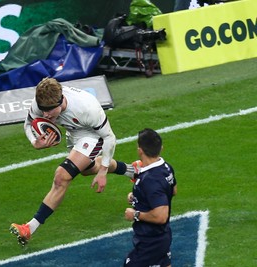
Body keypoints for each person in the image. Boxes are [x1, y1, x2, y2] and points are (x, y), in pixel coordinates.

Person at [9, 77, 139, 246]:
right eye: (43, 110)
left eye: (49, 111)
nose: (45, 115)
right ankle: (133, 170)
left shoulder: (86, 108)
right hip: (73, 132)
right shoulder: (41, 103)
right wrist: (35, 143)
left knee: (61, 176)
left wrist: (103, 172)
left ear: (61, 101)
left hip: (92, 135)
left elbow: (109, 137)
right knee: (86, 169)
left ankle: (29, 228)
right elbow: (28, 124)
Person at [123, 128, 177, 267]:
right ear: (161, 148)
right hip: (162, 236)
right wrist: (138, 197)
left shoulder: (150, 179)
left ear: (140, 150)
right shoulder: (166, 167)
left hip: (151, 241)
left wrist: (135, 214)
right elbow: (173, 190)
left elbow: (161, 216)